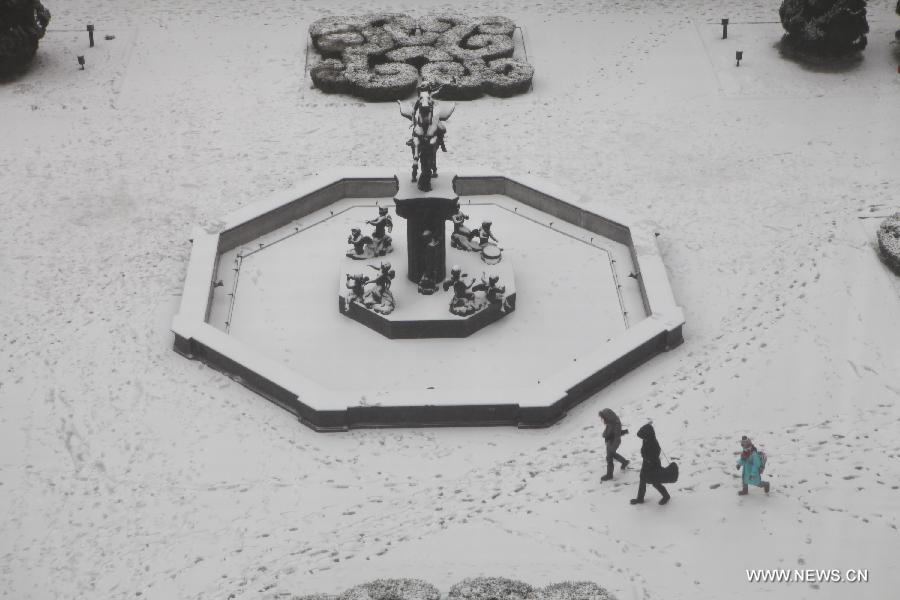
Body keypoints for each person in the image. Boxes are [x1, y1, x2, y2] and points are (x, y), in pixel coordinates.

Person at [630, 423, 670, 505]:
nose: (642, 438)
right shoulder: (646, 439)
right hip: (646, 463)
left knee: (655, 482)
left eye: (643, 436)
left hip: (653, 464)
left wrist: (649, 460)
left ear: (647, 434)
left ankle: (666, 496)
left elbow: (656, 453)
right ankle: (640, 498)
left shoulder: (653, 442)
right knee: (642, 479)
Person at [598, 408, 629, 481]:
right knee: (612, 455)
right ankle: (624, 462)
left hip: (613, 442)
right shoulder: (611, 422)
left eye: (603, 417)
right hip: (610, 441)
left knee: (609, 458)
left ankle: (609, 475)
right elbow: (608, 430)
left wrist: (613, 446)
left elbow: (617, 437)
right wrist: (605, 434)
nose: (602, 419)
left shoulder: (615, 424)